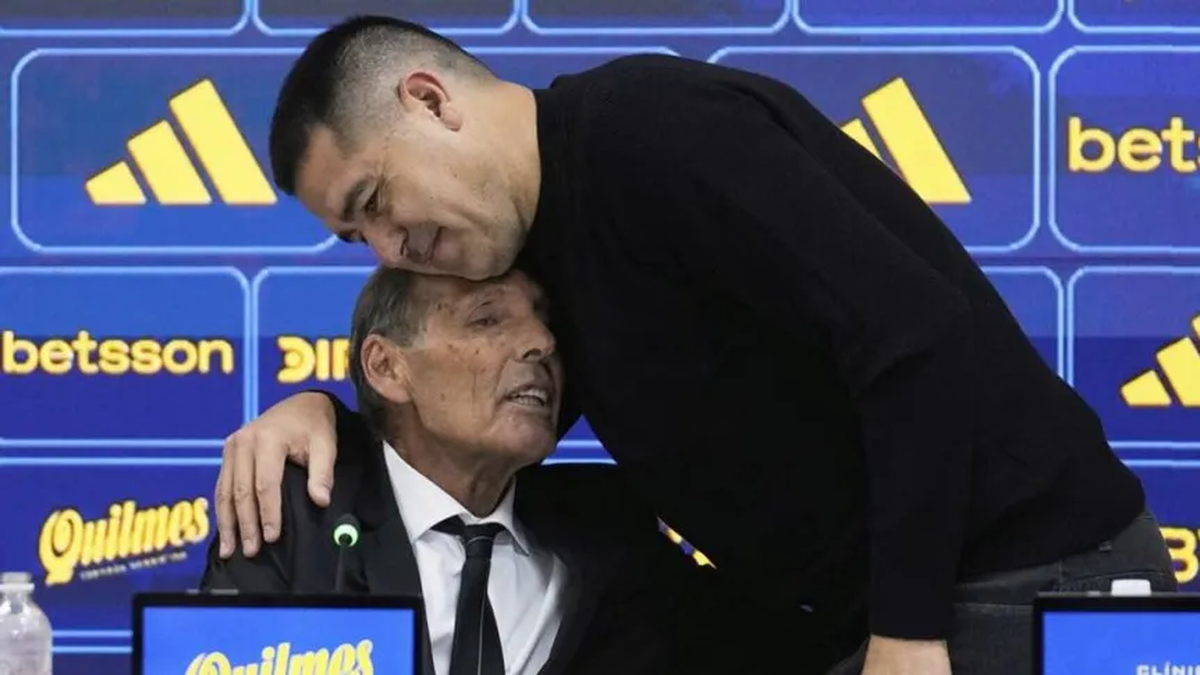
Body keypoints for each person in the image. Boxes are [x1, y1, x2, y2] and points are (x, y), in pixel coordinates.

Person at [215, 14, 1179, 675]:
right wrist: (323, 413)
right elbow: (460, 421)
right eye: (358, 237)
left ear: (430, 100)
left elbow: (915, 334)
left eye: (377, 201)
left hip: (1024, 582)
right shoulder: (533, 264)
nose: (390, 248)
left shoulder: (652, 132)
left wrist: (909, 632)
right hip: (895, 614)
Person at [201, 266, 709, 675]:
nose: (541, 342)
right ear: (386, 367)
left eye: (546, 320)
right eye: (487, 320)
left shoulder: (603, 522)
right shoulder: (297, 519)